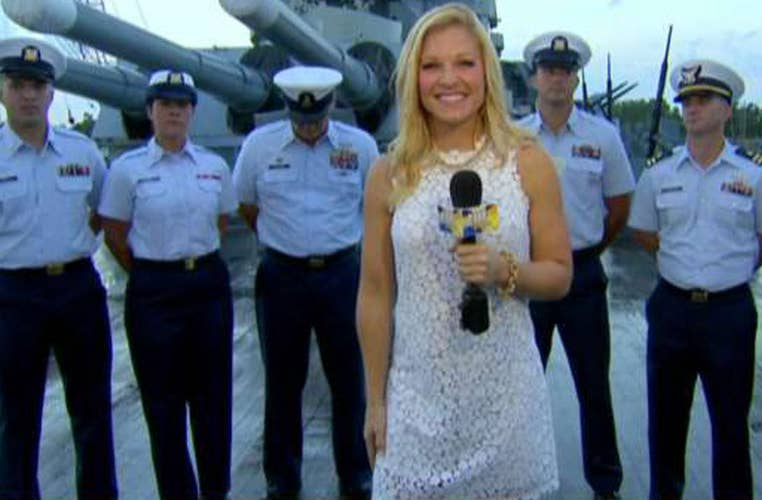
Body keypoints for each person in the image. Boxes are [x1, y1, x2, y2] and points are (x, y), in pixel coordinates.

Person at [357, 3, 573, 498]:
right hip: (415, 411)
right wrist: (375, 401)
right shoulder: (387, 174)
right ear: (413, 77)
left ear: (486, 73)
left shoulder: (529, 163)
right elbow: (374, 292)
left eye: (464, 63)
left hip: (508, 414)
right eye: (431, 66)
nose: (448, 79)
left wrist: (504, 269)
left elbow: (560, 274)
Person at [627, 59, 762, 499]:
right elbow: (644, 231)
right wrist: (684, 263)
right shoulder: (659, 174)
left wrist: (726, 268)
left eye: (704, 99)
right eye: (687, 101)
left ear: (728, 109)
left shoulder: (756, 175)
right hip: (672, 307)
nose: (692, 108)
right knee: (665, 421)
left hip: (728, 313)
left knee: (731, 425)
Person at [232, 66, 377, 499]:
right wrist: (285, 243)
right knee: (282, 381)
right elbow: (247, 206)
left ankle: (355, 473)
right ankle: (282, 477)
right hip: (283, 278)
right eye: (301, 119)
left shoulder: (360, 146)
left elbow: (373, 206)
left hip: (341, 273)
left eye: (315, 119)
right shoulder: (260, 147)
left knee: (349, 379)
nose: (309, 127)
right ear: (289, 110)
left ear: (331, 106)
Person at [99, 70, 236, 499]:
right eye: (165, 105)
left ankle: (216, 492)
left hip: (207, 288)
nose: (173, 112)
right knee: (163, 408)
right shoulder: (126, 171)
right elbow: (115, 234)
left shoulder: (214, 166)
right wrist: (154, 272)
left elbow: (223, 222)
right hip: (154, 293)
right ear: (150, 112)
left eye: (181, 105)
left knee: (213, 403)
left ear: (193, 112)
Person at [0, 37, 117, 499]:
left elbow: (101, 211)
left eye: (37, 85)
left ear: (51, 93)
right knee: (17, 415)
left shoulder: (81, 151)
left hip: (76, 288)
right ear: (3, 91)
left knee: (92, 410)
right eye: (17, 84)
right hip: (13, 295)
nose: (28, 94)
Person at [517, 30, 633, 499]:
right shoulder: (515, 139)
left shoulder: (603, 137)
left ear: (576, 77)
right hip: (528, 276)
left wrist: (586, 251)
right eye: (549, 70)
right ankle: (519, 473)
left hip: (583, 276)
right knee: (523, 383)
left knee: (593, 384)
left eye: (566, 71)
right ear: (534, 78)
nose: (558, 79)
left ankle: (605, 481)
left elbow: (619, 203)